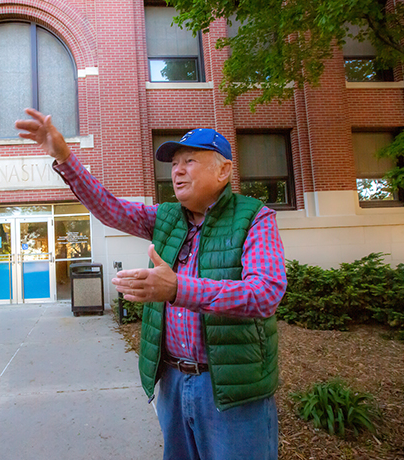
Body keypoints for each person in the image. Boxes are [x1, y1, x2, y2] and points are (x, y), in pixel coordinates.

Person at [16, 108, 287, 460]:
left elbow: (263, 294)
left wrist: (177, 289)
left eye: (189, 161)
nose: (177, 170)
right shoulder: (166, 217)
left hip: (232, 391)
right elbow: (110, 209)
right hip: (173, 381)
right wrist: (65, 157)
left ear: (223, 170)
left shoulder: (254, 217)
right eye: (174, 163)